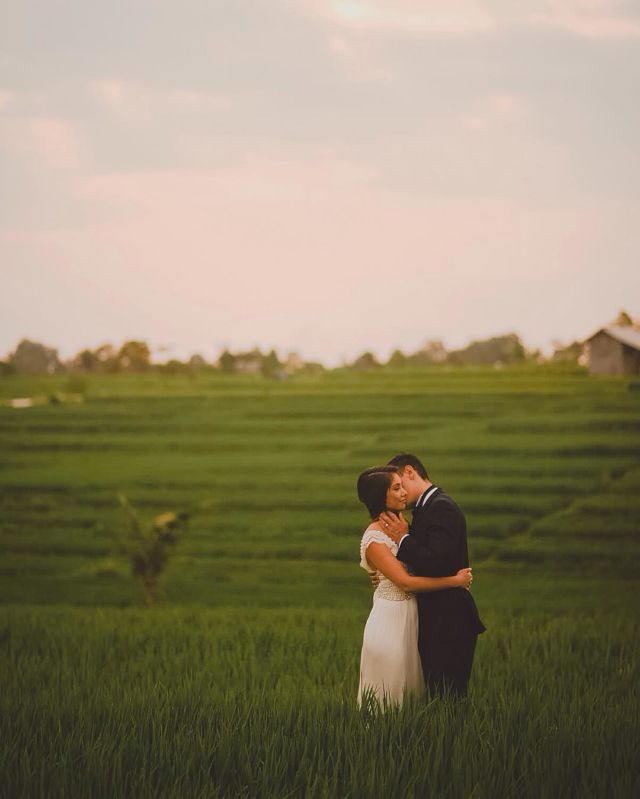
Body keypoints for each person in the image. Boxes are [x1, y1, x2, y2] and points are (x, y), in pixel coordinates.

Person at [357, 465, 473, 707]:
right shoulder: (375, 537)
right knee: (390, 697)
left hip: (411, 620)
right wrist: (455, 580)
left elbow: (417, 560)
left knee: (413, 697)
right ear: (381, 496)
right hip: (391, 622)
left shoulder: (403, 527)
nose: (403, 493)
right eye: (396, 488)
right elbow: (406, 582)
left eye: (402, 486)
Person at [378, 453, 486, 698]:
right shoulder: (427, 509)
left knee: (448, 698)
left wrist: (403, 539)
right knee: (436, 697)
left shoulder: (442, 507)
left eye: (398, 486)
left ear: (410, 472)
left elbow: (437, 562)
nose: (400, 495)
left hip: (449, 619)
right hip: (437, 618)